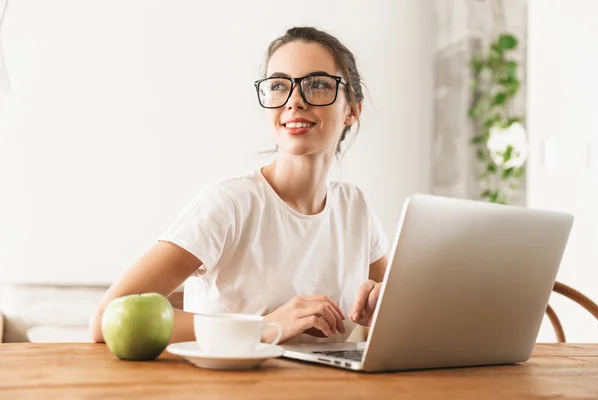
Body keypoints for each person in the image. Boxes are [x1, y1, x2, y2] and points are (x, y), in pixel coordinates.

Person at [90, 26, 389, 345]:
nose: (295, 101)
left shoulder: (354, 207)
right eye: (279, 85)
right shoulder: (229, 203)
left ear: (352, 110)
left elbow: (394, 315)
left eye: (317, 85)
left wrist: (379, 307)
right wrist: (264, 326)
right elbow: (107, 318)